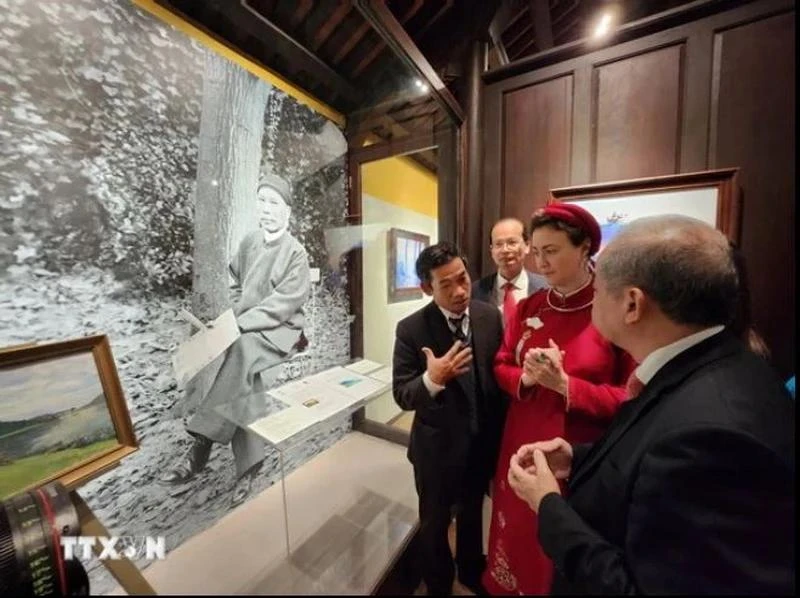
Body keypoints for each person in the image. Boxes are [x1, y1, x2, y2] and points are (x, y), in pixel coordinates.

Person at [507, 215, 795, 594]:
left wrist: (548, 504)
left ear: (631, 304)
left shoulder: (710, 435)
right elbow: (650, 455)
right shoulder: (719, 363)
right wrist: (579, 458)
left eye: (600, 286)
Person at [483, 204, 634, 595]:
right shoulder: (530, 307)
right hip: (520, 438)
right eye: (537, 251)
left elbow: (633, 398)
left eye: (551, 251)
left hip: (577, 452)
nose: (540, 261)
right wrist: (527, 377)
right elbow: (500, 364)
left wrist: (567, 386)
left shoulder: (613, 310)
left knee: (562, 546)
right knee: (518, 531)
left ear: (584, 248)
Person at [162, 175, 311, 506]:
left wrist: (242, 322)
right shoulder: (249, 243)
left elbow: (284, 304)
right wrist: (237, 308)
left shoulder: (296, 253)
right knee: (247, 377)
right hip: (248, 327)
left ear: (288, 211)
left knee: (240, 351)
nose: (267, 209)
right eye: (262, 201)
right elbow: (233, 281)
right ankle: (250, 467)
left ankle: (200, 444)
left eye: (274, 203)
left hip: (281, 330)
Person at [392, 242, 504, 595]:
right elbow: (402, 394)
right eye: (446, 285)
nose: (459, 291)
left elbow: (495, 378)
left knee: (472, 517)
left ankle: (472, 575)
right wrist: (432, 379)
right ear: (427, 288)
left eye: (463, 279)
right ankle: (439, 585)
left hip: (480, 446)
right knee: (435, 526)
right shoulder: (411, 330)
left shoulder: (489, 316)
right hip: (436, 452)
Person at [472, 218, 547, 327]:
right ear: (491, 250)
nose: (505, 250)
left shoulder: (547, 288)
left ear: (527, 246)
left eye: (512, 242)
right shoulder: (476, 291)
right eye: (498, 244)